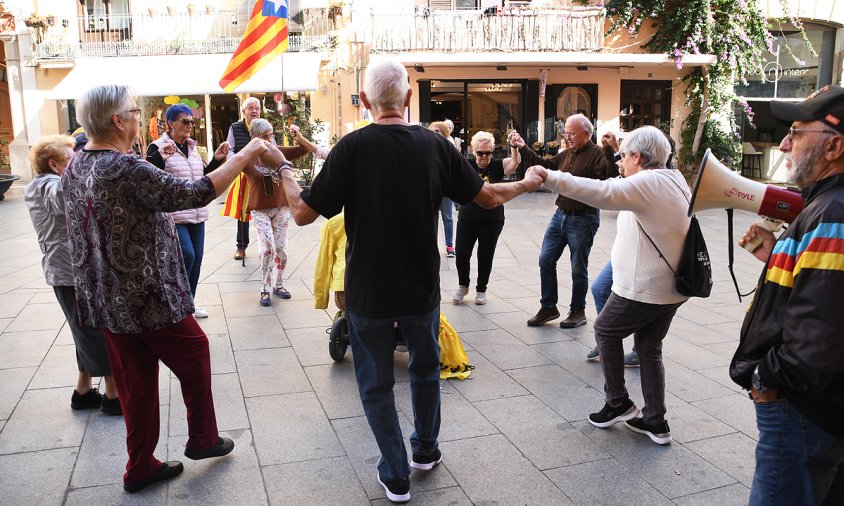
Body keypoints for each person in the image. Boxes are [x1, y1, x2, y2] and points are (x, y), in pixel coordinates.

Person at [262, 58, 542, 503]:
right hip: (421, 288)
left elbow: (301, 213)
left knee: (375, 385)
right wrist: (526, 184)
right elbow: (487, 197)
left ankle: (395, 474)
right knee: (426, 371)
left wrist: (284, 168)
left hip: (368, 292)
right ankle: (425, 452)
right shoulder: (436, 146)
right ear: (408, 98)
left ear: (367, 100)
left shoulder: (351, 148)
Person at [62, 84, 272, 493]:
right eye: (136, 111)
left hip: (108, 300)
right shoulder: (125, 167)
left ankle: (140, 465)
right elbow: (192, 193)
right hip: (146, 296)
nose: (142, 117)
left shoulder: (77, 165)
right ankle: (202, 439)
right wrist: (248, 153)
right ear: (118, 120)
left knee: (137, 381)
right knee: (193, 351)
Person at [528, 125, 690, 445]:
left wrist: (551, 176)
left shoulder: (647, 181)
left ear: (639, 157)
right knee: (648, 347)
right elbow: (616, 187)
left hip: (647, 285)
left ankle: (617, 402)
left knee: (604, 329)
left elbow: (602, 193)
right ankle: (655, 421)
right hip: (671, 286)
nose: (621, 160)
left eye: (625, 155)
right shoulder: (673, 178)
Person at [732, 85, 844, 506]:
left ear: (834, 145)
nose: (784, 143)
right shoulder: (828, 207)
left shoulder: (831, 213)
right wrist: (775, 259)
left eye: (796, 132)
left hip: (802, 408)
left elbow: (819, 336)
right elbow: (826, 295)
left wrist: (767, 377)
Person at [24, 134, 121, 416]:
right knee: (92, 330)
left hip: (68, 270)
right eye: (72, 159)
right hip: (70, 272)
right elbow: (65, 200)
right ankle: (113, 394)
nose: (78, 163)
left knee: (84, 329)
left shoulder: (42, 184)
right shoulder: (49, 186)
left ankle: (83, 391)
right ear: (54, 164)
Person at [510, 114, 617, 328]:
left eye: (571, 132)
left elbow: (609, 177)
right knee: (545, 259)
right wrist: (522, 147)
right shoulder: (567, 153)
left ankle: (578, 311)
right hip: (560, 215)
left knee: (578, 268)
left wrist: (608, 149)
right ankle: (549, 307)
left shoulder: (596, 153)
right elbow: (545, 165)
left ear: (587, 134)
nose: (567, 136)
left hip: (584, 218)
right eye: (565, 132)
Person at [146, 104, 230, 319]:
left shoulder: (193, 148)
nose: (190, 126)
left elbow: (202, 177)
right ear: (171, 123)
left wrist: (216, 160)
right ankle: (178, 301)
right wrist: (160, 158)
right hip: (173, 215)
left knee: (197, 258)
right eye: (186, 121)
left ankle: (188, 304)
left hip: (197, 214)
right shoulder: (157, 147)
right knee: (187, 255)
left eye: (193, 122)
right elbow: (148, 176)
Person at [242, 119, 326, 306]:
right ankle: (264, 288)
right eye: (265, 137)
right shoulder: (246, 157)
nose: (270, 140)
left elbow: (303, 150)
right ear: (254, 138)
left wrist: (299, 137)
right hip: (260, 209)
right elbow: (228, 169)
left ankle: (278, 284)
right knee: (267, 249)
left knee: (282, 249)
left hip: (281, 206)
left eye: (272, 135)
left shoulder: (277, 151)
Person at [221, 98, 308, 261]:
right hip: (245, 172)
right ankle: (241, 246)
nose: (254, 111)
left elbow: (273, 148)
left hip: (265, 173)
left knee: (269, 205)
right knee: (242, 211)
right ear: (243, 111)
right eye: (250, 108)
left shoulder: (266, 127)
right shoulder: (235, 127)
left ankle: (275, 245)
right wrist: (237, 163)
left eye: (257, 108)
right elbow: (230, 149)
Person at [452, 130, 521, 305]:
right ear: (473, 151)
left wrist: (513, 146)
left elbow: (515, 162)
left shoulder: (497, 165)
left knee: (485, 254)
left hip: (492, 219)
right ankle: (463, 285)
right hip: (468, 216)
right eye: (480, 153)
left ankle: (481, 289)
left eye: (488, 152)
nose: (484, 156)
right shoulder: (466, 165)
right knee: (461, 252)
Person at [429, 121, 456, 257]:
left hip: (445, 188)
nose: (433, 133)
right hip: (431, 189)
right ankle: (432, 246)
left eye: (437, 131)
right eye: (431, 130)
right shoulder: (426, 148)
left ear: (444, 133)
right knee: (432, 217)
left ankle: (450, 246)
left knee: (447, 217)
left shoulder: (449, 148)